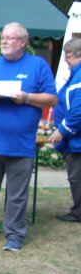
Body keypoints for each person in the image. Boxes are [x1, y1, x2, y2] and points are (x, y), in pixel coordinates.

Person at [0, 22, 57, 252]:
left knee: (17, 195)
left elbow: (51, 99)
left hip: (20, 145)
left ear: (23, 42)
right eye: (2, 38)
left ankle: (15, 234)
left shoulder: (37, 65)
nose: (4, 41)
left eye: (10, 37)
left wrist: (26, 98)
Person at [49, 38, 81, 223]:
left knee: (77, 177)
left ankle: (79, 213)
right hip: (75, 139)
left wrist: (63, 130)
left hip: (77, 140)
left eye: (69, 57)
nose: (66, 61)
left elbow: (78, 110)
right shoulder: (75, 75)